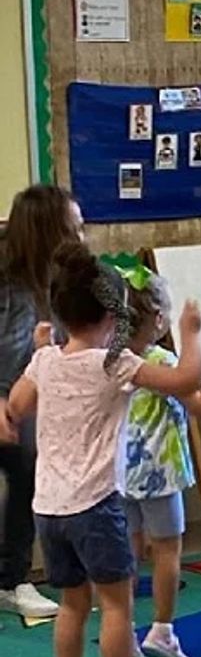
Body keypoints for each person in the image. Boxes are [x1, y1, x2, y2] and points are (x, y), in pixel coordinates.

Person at [6, 243, 201, 657]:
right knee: (115, 603)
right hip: (95, 505)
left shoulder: (47, 361)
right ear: (115, 315)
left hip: (48, 509)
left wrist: (38, 352)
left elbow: (17, 404)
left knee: (73, 601)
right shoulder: (114, 364)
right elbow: (185, 380)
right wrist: (191, 335)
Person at [120, 264, 201, 657]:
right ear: (158, 320)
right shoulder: (162, 360)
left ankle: (122, 630)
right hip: (160, 474)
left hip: (119, 473)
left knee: (128, 551)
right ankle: (162, 628)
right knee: (167, 550)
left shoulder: (111, 360)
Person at [0, 184, 84, 619]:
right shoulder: (6, 278)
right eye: (74, 228)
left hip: (24, 396)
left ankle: (11, 578)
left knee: (30, 463)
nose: (82, 237)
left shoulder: (60, 278)